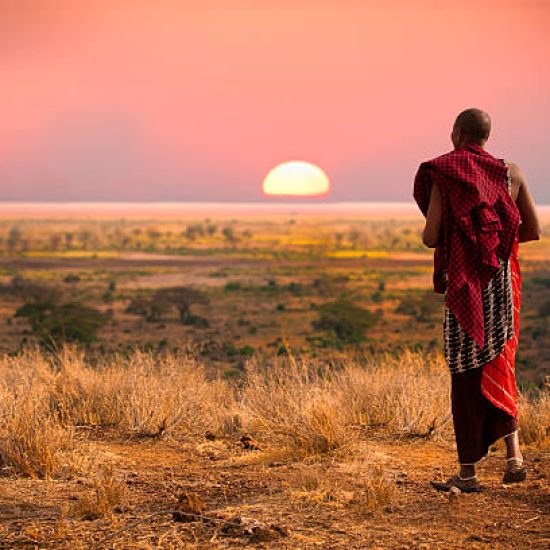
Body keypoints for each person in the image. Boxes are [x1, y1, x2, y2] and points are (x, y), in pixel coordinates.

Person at [413, 108, 542, 492]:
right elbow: (532, 229)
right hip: (499, 286)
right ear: (486, 136)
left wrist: (462, 239)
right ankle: (514, 459)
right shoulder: (512, 173)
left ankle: (468, 474)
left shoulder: (444, 173)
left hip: (464, 290)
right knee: (499, 364)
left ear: (456, 133)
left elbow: (430, 236)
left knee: (466, 374)